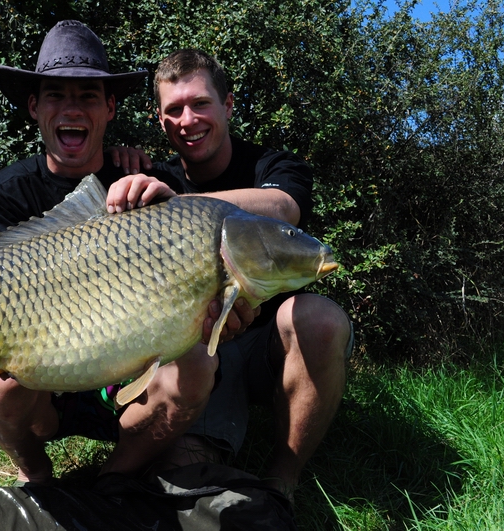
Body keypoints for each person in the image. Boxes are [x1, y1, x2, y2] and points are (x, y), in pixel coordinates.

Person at [0, 21, 256, 486]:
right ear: (35, 107)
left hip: (125, 381)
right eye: (56, 95)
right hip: (39, 377)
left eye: (88, 96)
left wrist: (223, 315)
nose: (71, 107)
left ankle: (112, 478)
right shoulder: (3, 194)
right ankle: (35, 474)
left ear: (110, 107)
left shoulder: (151, 185)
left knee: (198, 363)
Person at [108, 49, 354, 502]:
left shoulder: (274, 166)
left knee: (320, 318)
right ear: (159, 121)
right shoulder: (152, 178)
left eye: (200, 103)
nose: (188, 119)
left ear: (228, 105)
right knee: (181, 476)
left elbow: (283, 209)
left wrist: (182, 208)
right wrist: (117, 158)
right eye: (173, 110)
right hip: (197, 350)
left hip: (268, 350)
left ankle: (284, 475)